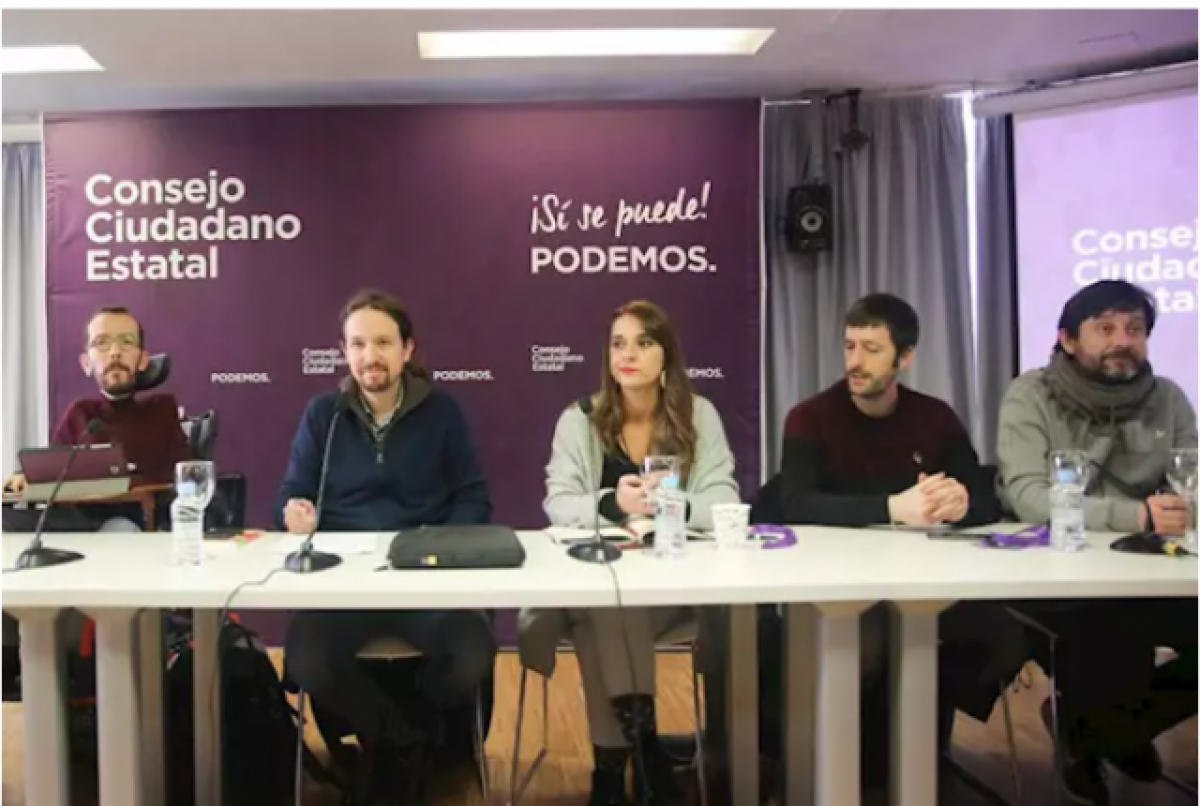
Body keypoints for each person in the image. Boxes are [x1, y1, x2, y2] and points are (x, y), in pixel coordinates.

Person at [759, 293, 1011, 793]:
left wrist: (961, 502)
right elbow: (796, 503)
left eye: (872, 349)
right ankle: (842, 769)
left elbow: (987, 497)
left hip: (923, 582)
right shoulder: (810, 417)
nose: (855, 361)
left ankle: (915, 759)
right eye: (850, 346)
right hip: (835, 585)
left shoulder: (934, 418)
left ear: (905, 356)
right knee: (868, 642)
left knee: (1001, 628)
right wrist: (893, 509)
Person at [276, 289, 495, 804]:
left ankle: (394, 749)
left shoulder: (443, 413)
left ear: (407, 349)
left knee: (470, 651)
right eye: (358, 344)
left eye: (382, 343)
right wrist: (294, 513)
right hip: (343, 584)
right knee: (306, 656)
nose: (370, 356)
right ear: (344, 351)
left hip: (423, 578)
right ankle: (401, 742)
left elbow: (474, 498)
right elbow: (291, 494)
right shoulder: (324, 414)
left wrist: (435, 548)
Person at [518, 300, 740, 806]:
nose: (628, 354)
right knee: (609, 601)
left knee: (604, 618)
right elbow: (559, 504)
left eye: (643, 343)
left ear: (667, 357)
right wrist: (611, 503)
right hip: (592, 584)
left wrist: (675, 506)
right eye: (618, 343)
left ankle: (611, 772)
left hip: (670, 588)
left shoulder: (698, 415)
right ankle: (645, 756)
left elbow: (723, 500)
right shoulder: (580, 420)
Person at [997, 279, 1197, 805]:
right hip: (1059, 577)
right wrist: (1137, 514)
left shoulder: (1169, 399)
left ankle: (1106, 730)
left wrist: (1184, 509)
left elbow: (1193, 485)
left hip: (1154, 574)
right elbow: (1028, 497)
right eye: (1104, 329)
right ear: (1068, 340)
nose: (1122, 341)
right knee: (1106, 629)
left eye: (1134, 329)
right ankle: (1107, 732)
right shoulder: (1031, 395)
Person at [3, 305, 191, 531]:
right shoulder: (80, 413)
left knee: (118, 528)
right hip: (76, 524)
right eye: (102, 343)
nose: (115, 352)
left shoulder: (161, 409)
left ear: (143, 361)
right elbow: (52, 472)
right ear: (86, 364)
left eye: (127, 342)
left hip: (133, 523)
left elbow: (183, 481)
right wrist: (25, 476)